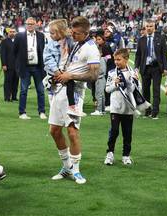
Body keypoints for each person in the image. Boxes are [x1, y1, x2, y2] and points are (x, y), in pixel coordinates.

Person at [50, 16, 100, 184]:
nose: (73, 34)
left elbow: (94, 75)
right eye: (72, 31)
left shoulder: (92, 48)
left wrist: (71, 75)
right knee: (54, 131)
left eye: (77, 33)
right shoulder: (75, 42)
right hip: (60, 90)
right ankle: (66, 167)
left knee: (72, 131)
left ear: (86, 32)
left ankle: (76, 171)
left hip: (75, 93)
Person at [104, 49, 138, 166]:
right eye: (115, 59)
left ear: (126, 59)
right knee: (114, 131)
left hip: (128, 108)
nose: (116, 62)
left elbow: (135, 90)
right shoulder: (112, 73)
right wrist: (115, 84)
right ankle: (110, 154)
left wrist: (133, 82)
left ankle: (126, 155)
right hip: (116, 108)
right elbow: (107, 89)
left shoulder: (133, 73)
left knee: (127, 133)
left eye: (119, 59)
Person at [43, 19, 82, 117]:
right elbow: (48, 59)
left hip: (67, 73)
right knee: (54, 101)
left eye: (52, 33)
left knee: (70, 85)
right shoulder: (50, 44)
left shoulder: (71, 42)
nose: (50, 35)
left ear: (60, 32)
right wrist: (57, 72)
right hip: (55, 74)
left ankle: (72, 106)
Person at [135, 19, 167, 119]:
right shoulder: (141, 40)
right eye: (147, 26)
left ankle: (155, 112)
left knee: (156, 90)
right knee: (145, 90)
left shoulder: (161, 38)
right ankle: (147, 110)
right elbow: (138, 55)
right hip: (145, 68)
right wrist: (136, 67)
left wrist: (165, 68)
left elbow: (164, 54)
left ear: (154, 27)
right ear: (145, 27)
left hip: (156, 67)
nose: (149, 28)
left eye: (151, 26)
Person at [13, 17, 46, 120]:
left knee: (40, 90)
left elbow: (43, 51)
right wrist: (18, 66)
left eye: (32, 24)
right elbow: (15, 51)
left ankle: (42, 112)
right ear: (25, 25)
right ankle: (22, 112)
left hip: (37, 67)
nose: (30, 26)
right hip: (25, 67)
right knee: (23, 91)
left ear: (35, 25)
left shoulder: (41, 36)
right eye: (28, 24)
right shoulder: (19, 36)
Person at [95, 30, 115, 112]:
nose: (97, 41)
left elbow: (110, 57)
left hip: (109, 68)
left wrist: (102, 58)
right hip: (105, 68)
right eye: (97, 39)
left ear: (103, 40)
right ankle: (105, 104)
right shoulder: (99, 46)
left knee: (107, 86)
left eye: (99, 39)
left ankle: (108, 104)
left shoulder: (105, 46)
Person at [0, 27, 19, 102]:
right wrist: (4, 64)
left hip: (17, 66)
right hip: (8, 65)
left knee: (16, 81)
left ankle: (14, 96)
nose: (12, 33)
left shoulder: (18, 41)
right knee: (8, 82)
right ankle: (7, 97)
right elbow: (2, 54)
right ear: (8, 33)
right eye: (11, 32)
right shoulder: (4, 41)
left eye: (14, 32)